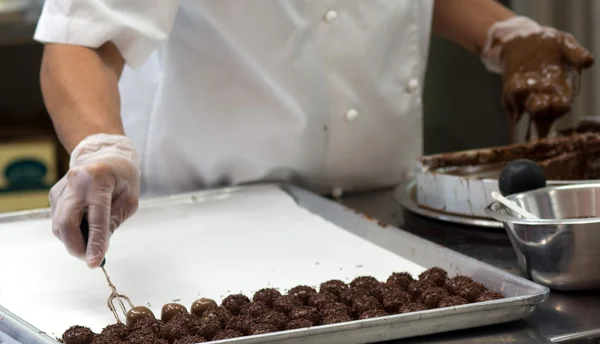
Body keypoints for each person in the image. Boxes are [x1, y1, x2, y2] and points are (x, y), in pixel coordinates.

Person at [34, 0, 592, 268]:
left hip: (383, 218)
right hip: (214, 222)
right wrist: (98, 144)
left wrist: (504, 33)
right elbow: (81, 41)